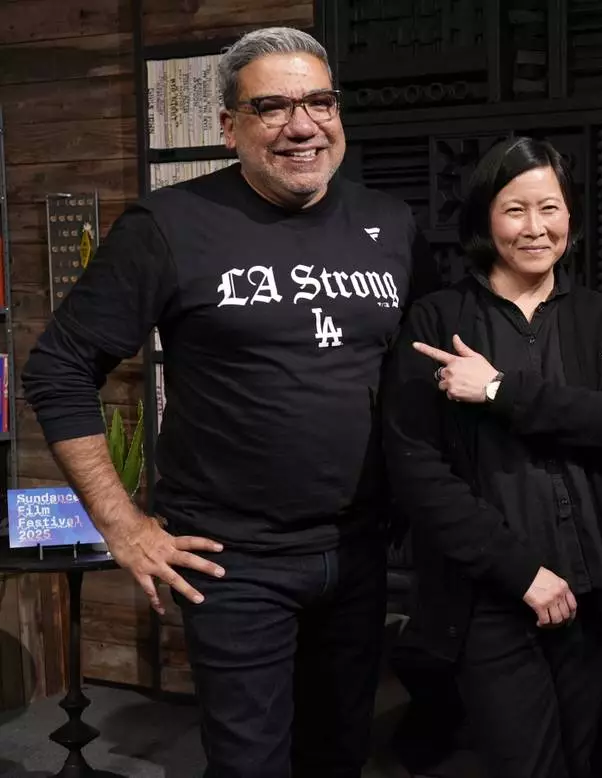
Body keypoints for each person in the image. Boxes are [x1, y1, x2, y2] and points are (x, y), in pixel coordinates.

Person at [22, 26, 436, 778]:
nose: (302, 125)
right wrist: (123, 526)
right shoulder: (170, 226)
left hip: (359, 551)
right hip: (233, 563)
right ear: (228, 127)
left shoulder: (391, 225)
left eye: (319, 101)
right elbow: (58, 369)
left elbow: (422, 370)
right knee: (250, 764)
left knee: (341, 754)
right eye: (272, 107)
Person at [379, 136, 602, 778]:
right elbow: (417, 469)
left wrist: (498, 389)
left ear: (571, 218)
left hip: (595, 586)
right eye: (515, 210)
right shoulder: (436, 320)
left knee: (585, 761)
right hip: (491, 594)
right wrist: (522, 572)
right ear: (483, 218)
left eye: (550, 209)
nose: (536, 228)